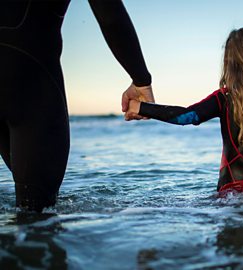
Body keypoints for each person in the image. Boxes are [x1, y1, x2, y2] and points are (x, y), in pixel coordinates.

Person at [0, 0, 154, 212]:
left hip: (22, 77)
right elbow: (109, 14)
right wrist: (141, 79)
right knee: (34, 212)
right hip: (28, 79)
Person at [126, 27, 243, 195]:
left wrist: (142, 107)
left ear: (230, 63)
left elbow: (186, 116)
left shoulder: (224, 98)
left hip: (231, 190)